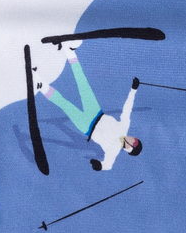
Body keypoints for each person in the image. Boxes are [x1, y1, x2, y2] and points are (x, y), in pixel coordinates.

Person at [39, 42, 144, 170]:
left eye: (133, 142)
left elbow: (108, 165)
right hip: (96, 112)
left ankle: (41, 85)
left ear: (129, 148)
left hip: (86, 126)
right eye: (135, 139)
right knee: (83, 84)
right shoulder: (124, 127)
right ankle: (69, 52)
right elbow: (127, 109)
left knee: (65, 104)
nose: (132, 139)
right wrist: (133, 90)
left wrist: (100, 165)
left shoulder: (114, 149)